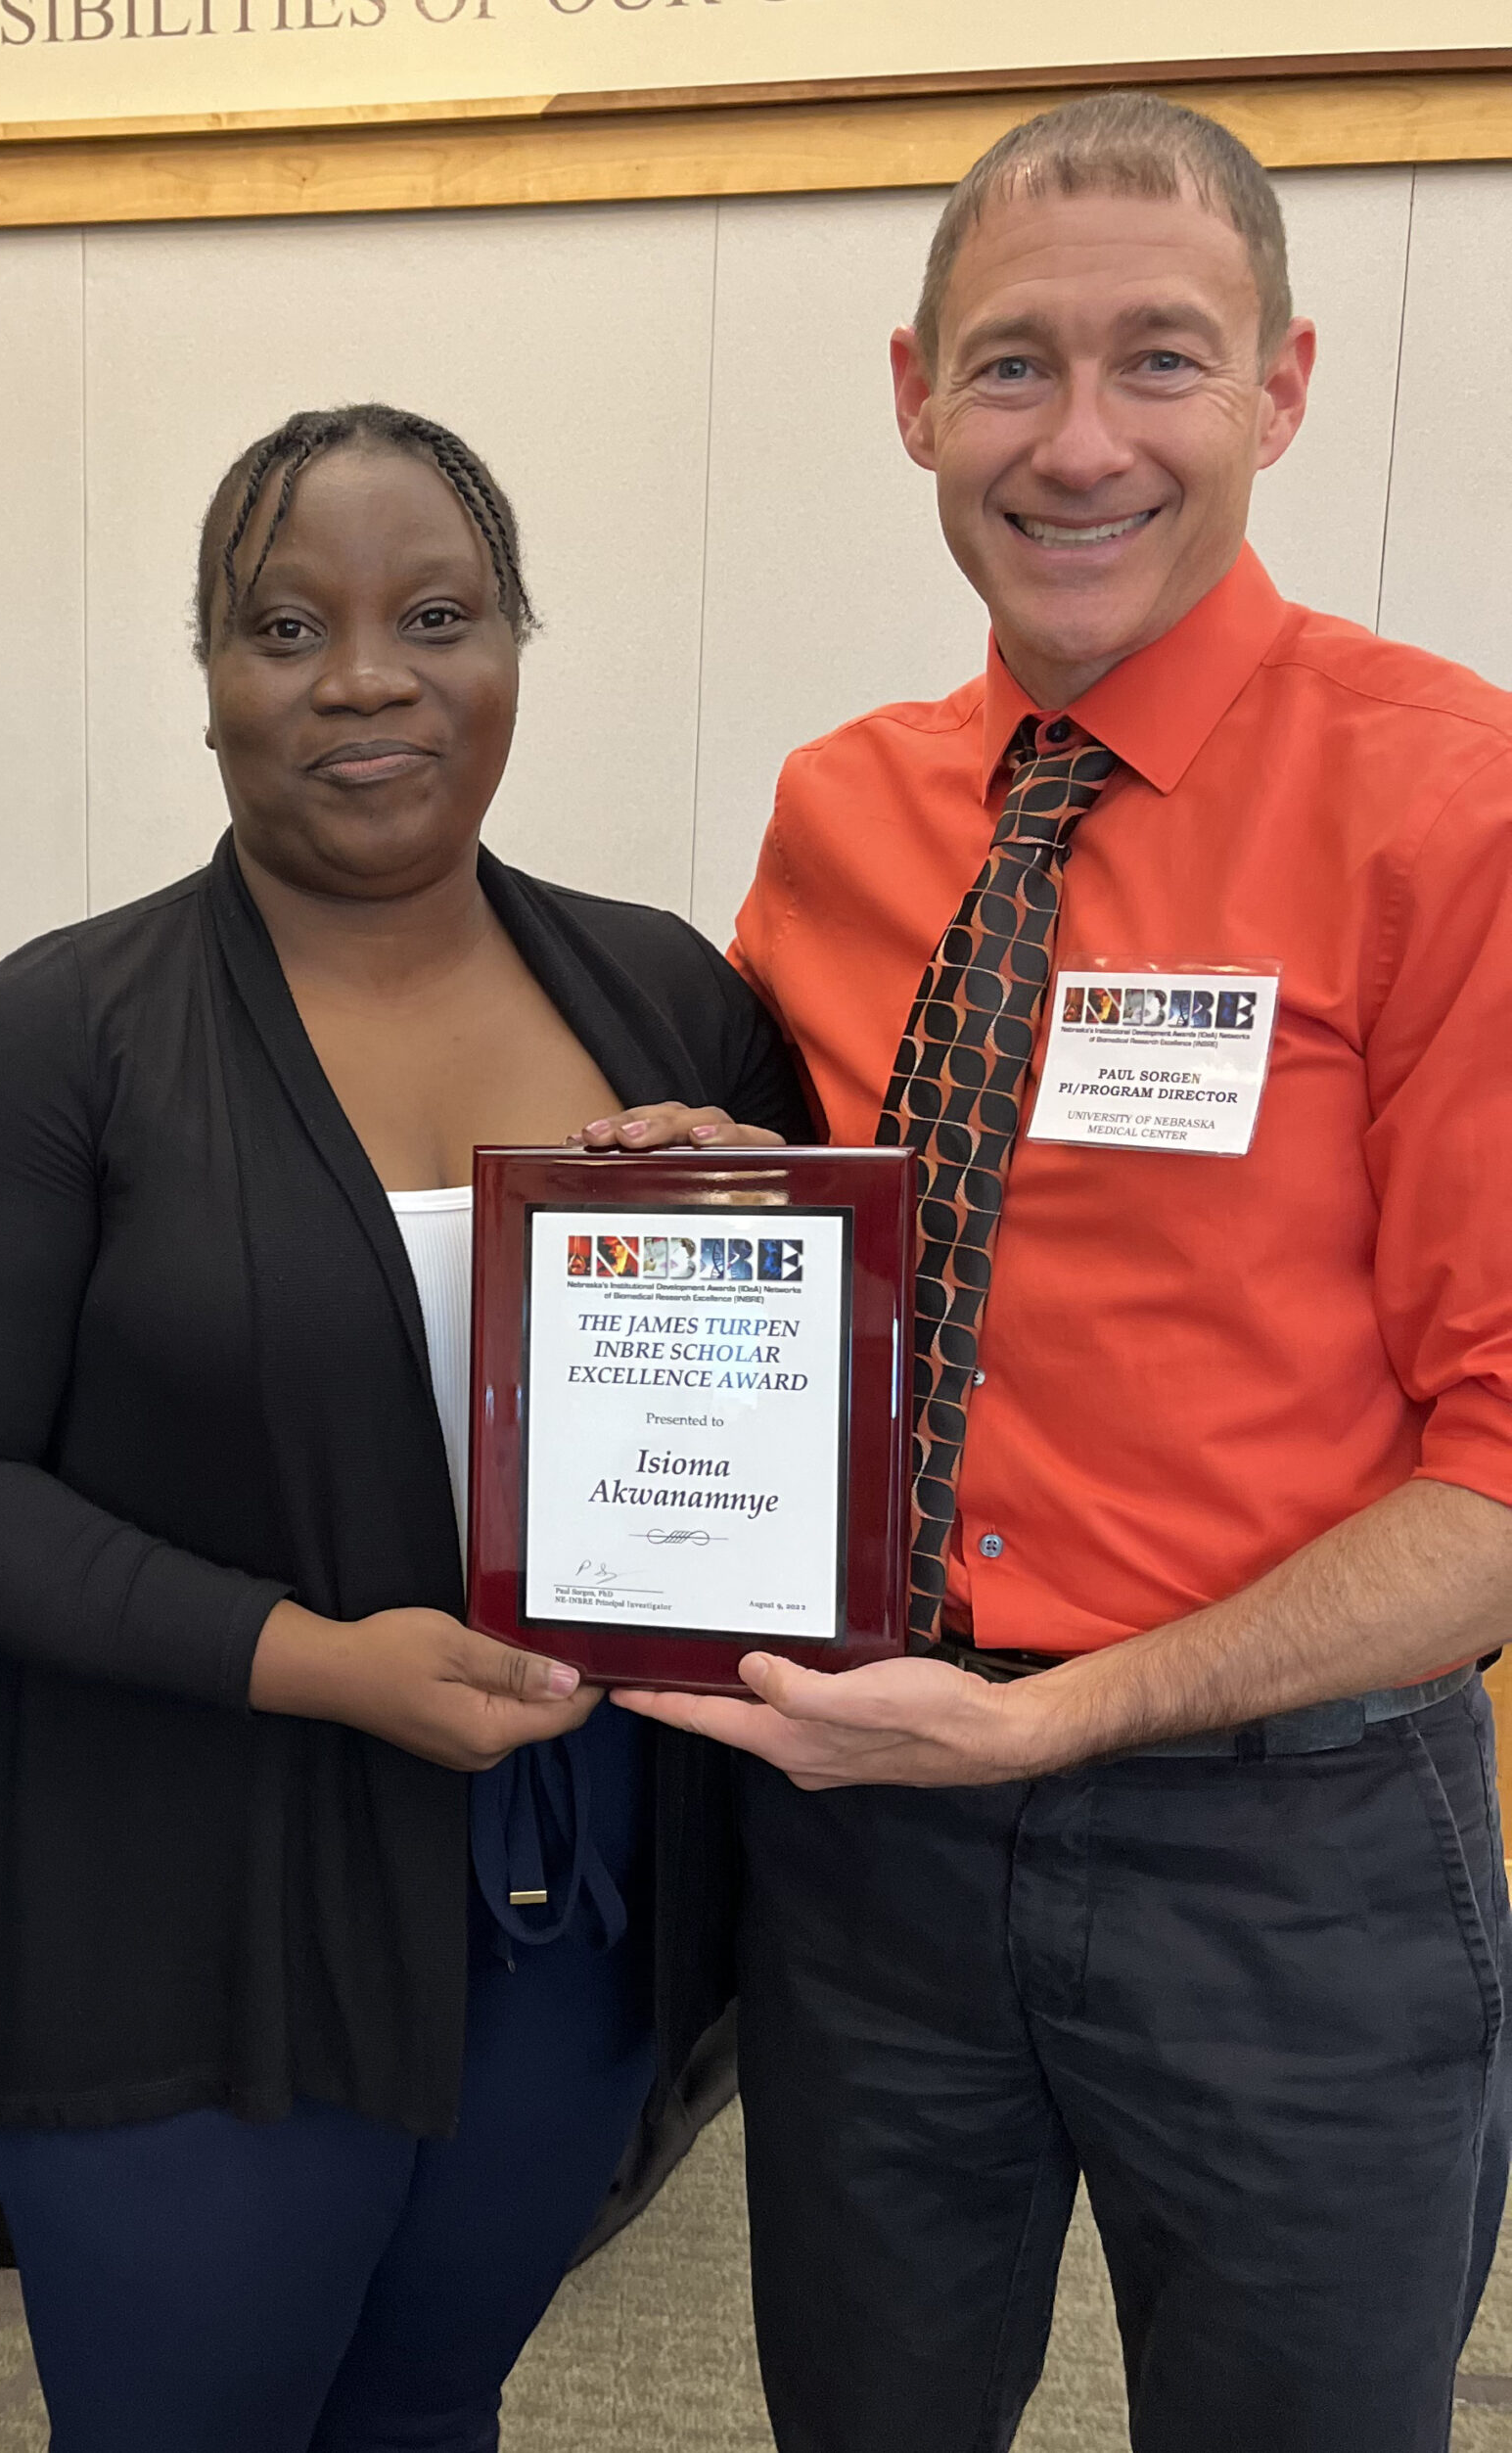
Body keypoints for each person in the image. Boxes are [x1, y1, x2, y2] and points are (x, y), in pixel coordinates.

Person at [601, 93, 1512, 2453]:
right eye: (1009, 366)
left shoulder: (1449, 804)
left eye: (1160, 363)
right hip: (870, 1831)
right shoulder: (844, 805)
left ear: (1280, 391)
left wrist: (1068, 1717)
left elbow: (1499, 1476)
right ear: (910, 395)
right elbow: (831, 1253)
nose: (1077, 441)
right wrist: (704, 1192)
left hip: (1281, 1847)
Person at [0, 402, 807, 2450]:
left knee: (428, 2408)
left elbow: (801, 1428)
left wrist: (763, 1215)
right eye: (284, 625)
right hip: (178, 1928)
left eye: (430, 613)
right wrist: (310, 1660)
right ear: (205, 686)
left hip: (555, 1910)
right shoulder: (57, 1034)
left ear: (511, 653)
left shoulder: (667, 1004)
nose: (363, 675)